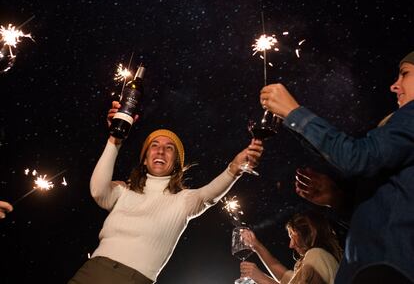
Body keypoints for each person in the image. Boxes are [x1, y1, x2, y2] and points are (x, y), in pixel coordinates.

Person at [259, 51, 414, 283]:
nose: (394, 85)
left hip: (386, 270)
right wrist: (336, 198)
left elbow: (359, 157)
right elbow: (383, 214)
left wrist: (295, 114)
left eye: (405, 74)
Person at [68, 101, 264, 284]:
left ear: (176, 164)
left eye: (169, 148)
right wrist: (115, 139)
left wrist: (234, 169)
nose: (161, 151)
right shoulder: (124, 190)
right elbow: (97, 190)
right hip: (92, 270)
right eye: (154, 146)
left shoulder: (183, 200)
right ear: (144, 159)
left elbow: (209, 195)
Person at [239, 210, 342, 284]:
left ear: (308, 233)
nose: (291, 245)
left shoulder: (316, 254)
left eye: (292, 236)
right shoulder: (321, 258)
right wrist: (256, 246)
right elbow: (283, 276)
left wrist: (261, 279)